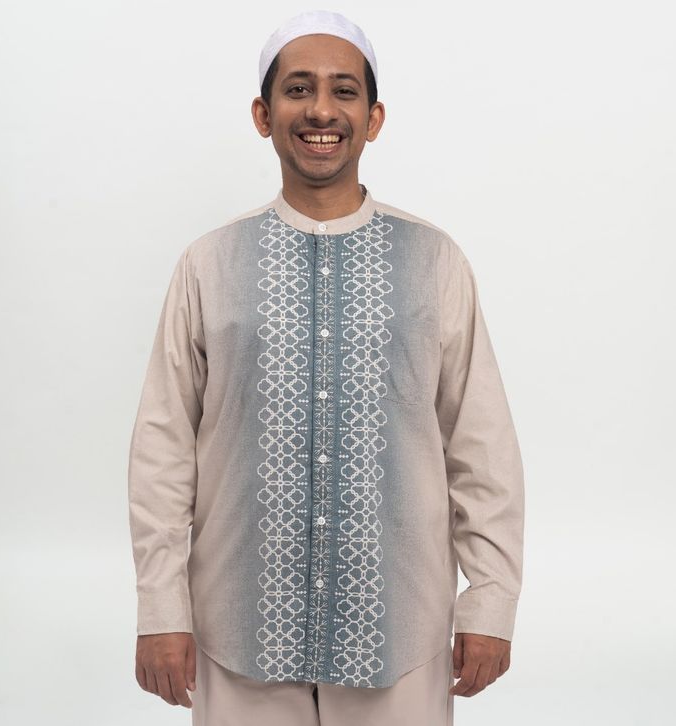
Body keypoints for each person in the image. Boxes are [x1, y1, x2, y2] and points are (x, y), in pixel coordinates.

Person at [127, 9, 525, 725]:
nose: (320, 110)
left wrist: (490, 601)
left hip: (400, 631)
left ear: (373, 118)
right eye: (298, 88)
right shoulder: (210, 264)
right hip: (237, 629)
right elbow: (164, 448)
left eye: (344, 91)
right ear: (263, 114)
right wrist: (161, 608)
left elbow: (480, 442)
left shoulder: (433, 262)